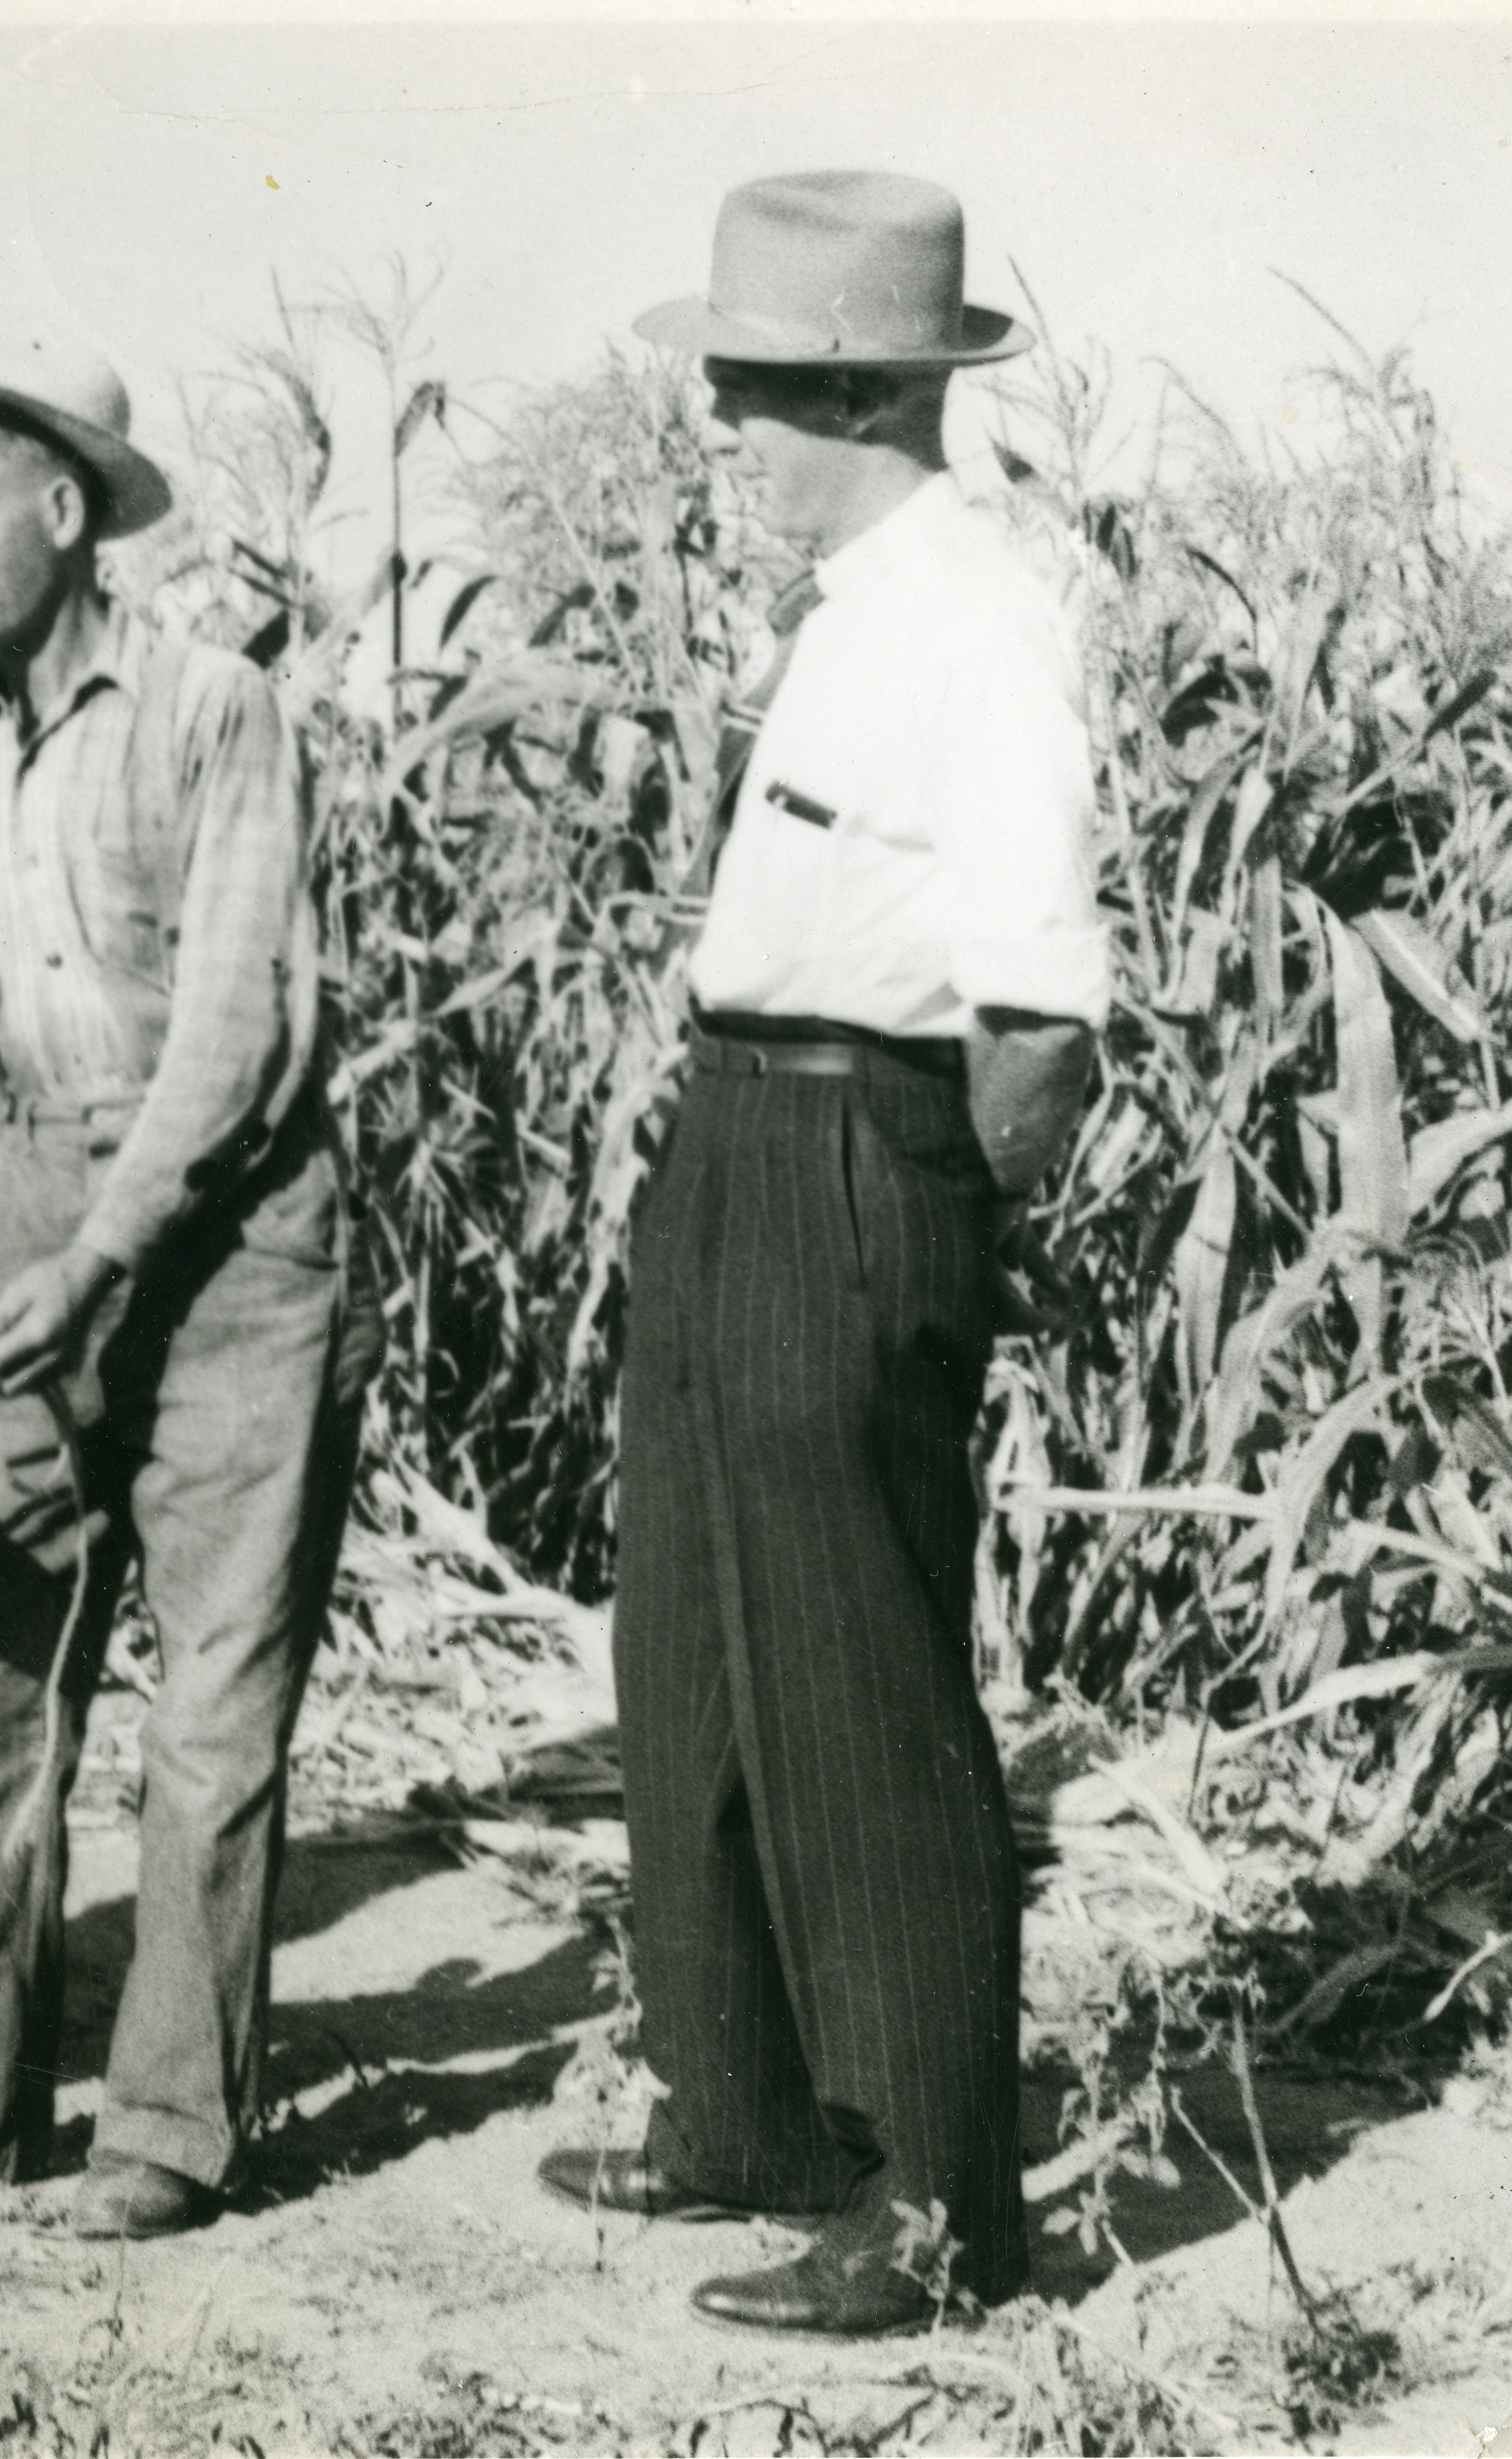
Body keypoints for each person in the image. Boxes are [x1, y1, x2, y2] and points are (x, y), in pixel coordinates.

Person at [533, 175, 1108, 2335]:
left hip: (860, 1143)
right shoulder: (858, 602)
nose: (725, 439)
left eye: (753, 399)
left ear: (869, 388)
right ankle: (741, 2110)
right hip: (739, 1123)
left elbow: (1038, 1005)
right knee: (692, 1630)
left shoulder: (975, 612)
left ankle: (940, 2196)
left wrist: (924, 1227)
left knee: (855, 1661)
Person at [0, 335, 376, 2240]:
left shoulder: (213, 712)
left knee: (212, 1699)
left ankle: (166, 2135)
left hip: (227, 1235)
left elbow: (235, 1031)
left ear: (63, 515)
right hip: (37, 1201)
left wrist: (101, 1254)